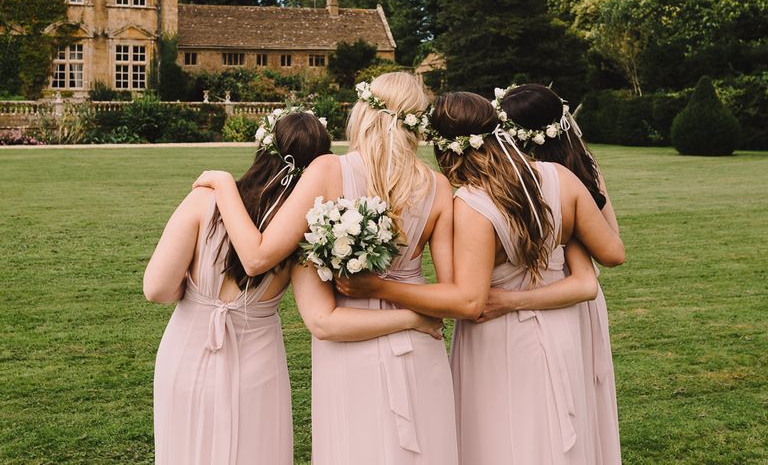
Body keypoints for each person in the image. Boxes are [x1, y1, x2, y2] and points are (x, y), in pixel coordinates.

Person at [337, 91, 624, 464]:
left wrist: (378, 286)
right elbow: (610, 254)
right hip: (563, 329)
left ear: (444, 149)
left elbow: (470, 302)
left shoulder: (473, 205)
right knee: (559, 439)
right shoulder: (560, 178)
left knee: (502, 441)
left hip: (500, 339)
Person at [145, 107, 439, 465]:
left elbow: (157, 289)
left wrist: (196, 294)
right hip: (257, 364)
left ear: (263, 146)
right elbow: (323, 319)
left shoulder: (202, 202)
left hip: (186, 353)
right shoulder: (306, 234)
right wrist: (412, 319)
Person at [488, 83, 622, 464]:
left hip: (570, 294)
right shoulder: (581, 167)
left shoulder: (524, 179)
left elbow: (612, 250)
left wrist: (574, 232)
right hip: (572, 294)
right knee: (576, 399)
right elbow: (612, 249)